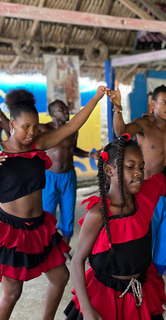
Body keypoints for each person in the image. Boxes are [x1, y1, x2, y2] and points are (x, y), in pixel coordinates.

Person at [0, 87, 107, 320]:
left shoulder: (38, 144)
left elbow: (71, 127)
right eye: (25, 127)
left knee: (60, 277)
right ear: (12, 124)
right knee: (12, 293)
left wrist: (96, 97)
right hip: (10, 230)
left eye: (34, 126)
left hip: (39, 228)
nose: (31, 132)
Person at [65, 124, 166, 320]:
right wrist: (87, 309)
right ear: (108, 169)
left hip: (140, 293)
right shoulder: (99, 213)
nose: (139, 173)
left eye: (141, 167)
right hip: (104, 297)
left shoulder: (147, 194)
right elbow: (77, 262)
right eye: (130, 167)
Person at [111, 84, 166, 310]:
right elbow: (120, 131)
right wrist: (117, 108)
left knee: (163, 248)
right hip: (144, 195)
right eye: (165, 103)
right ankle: (137, 295)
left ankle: (157, 295)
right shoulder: (143, 125)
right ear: (153, 105)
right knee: (143, 247)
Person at [39, 100, 100, 258]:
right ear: (53, 114)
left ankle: (62, 251)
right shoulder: (44, 129)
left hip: (69, 177)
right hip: (49, 178)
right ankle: (47, 252)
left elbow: (72, 149)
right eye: (61, 110)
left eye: (66, 109)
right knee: (48, 215)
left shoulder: (73, 130)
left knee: (68, 215)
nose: (66, 112)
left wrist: (90, 154)